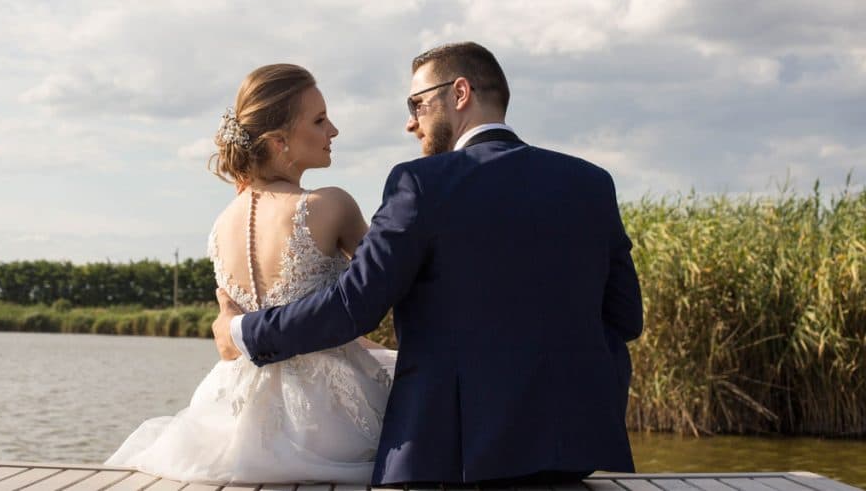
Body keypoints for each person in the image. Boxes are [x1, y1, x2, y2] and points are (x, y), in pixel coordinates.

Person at [212, 42, 643, 486]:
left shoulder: (420, 184)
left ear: (460, 93)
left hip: (452, 454)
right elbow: (626, 318)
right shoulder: (591, 183)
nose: (410, 122)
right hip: (575, 447)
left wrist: (243, 330)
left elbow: (353, 305)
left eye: (416, 104)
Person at [105, 63, 396, 484]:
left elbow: (241, 332)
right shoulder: (331, 205)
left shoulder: (220, 225)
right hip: (325, 414)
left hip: (231, 409)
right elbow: (380, 288)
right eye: (319, 120)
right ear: (279, 141)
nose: (333, 131)